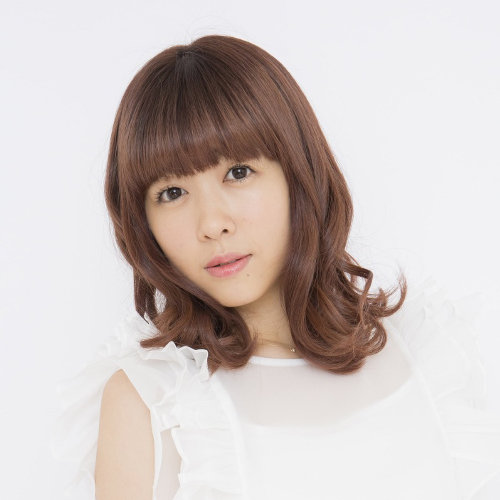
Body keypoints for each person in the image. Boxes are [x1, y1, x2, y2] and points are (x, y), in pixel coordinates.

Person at [51, 35, 500, 499]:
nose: (212, 223)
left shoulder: (423, 358)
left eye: (238, 172)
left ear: (298, 172)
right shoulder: (153, 403)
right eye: (172, 193)